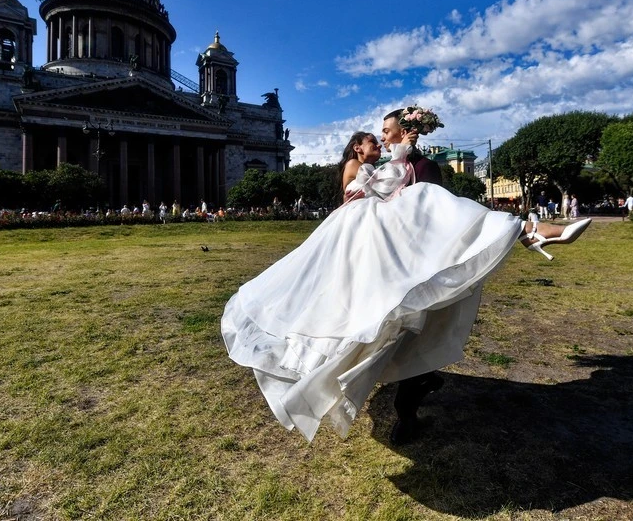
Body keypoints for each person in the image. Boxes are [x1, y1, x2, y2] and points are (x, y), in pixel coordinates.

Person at [222, 115, 592, 444]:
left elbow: (407, 195)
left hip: (391, 247)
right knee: (379, 310)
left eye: (385, 132)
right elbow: (370, 190)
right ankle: (528, 230)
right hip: (369, 243)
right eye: (375, 136)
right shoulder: (362, 165)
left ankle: (528, 229)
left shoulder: (418, 165)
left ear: (403, 129)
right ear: (357, 147)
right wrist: (400, 155)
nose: (380, 140)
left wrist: (404, 155)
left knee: (431, 203)